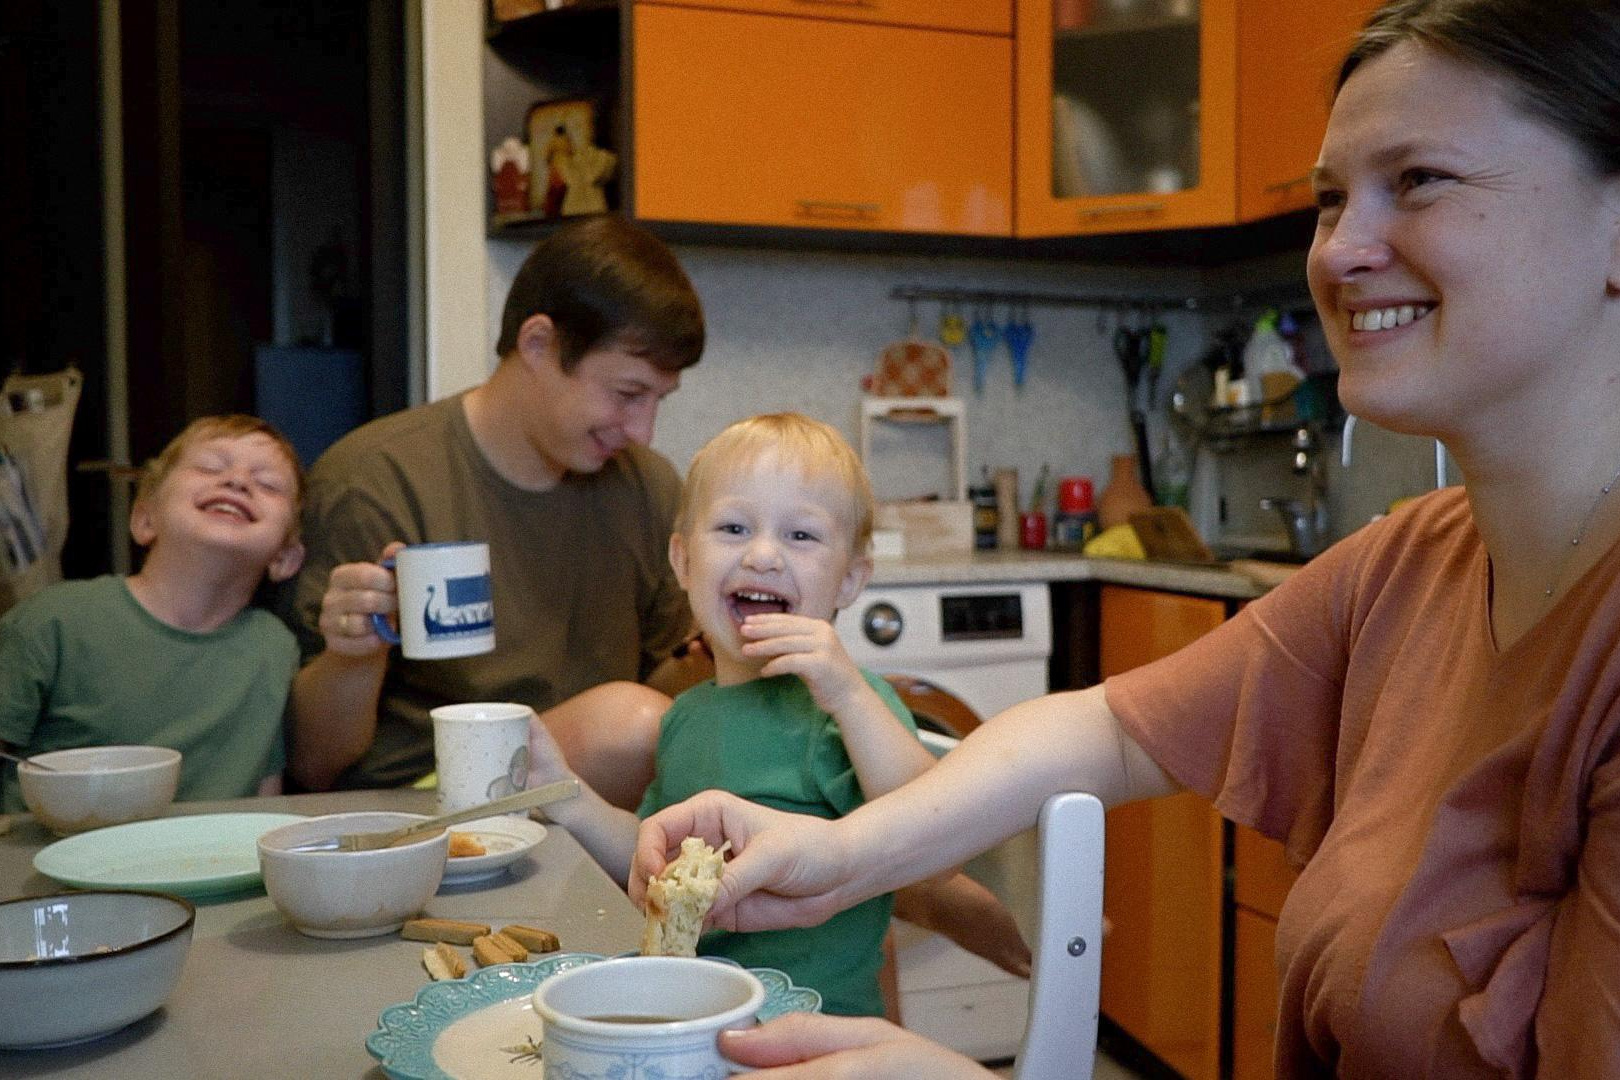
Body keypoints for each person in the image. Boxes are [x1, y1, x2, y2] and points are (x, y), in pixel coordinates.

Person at [633, 1, 1620, 1075]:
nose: (1339, 250)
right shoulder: (1405, 567)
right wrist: (833, 857)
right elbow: (1104, 730)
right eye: (1331, 199)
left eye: (1418, 179)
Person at [527, 413, 941, 1017]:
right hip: (697, 1018)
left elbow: (930, 827)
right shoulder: (686, 717)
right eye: (733, 527)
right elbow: (651, 859)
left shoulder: (847, 709)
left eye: (801, 536)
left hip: (818, 1028)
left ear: (850, 579)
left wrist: (849, 695)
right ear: (684, 561)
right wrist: (565, 796)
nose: (763, 555)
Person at [283, 213, 706, 803]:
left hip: (592, 804)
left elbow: (667, 701)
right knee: (629, 725)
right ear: (538, 344)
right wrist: (354, 654)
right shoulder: (375, 479)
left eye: (659, 400)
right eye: (628, 394)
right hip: (414, 803)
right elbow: (313, 763)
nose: (644, 430)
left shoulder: (648, 487)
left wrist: (712, 653)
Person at [0, 415, 305, 810]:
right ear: (145, 519)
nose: (237, 481)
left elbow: (265, 797)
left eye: (267, 484)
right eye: (210, 467)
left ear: (285, 557)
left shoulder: (274, 648)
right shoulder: (52, 620)